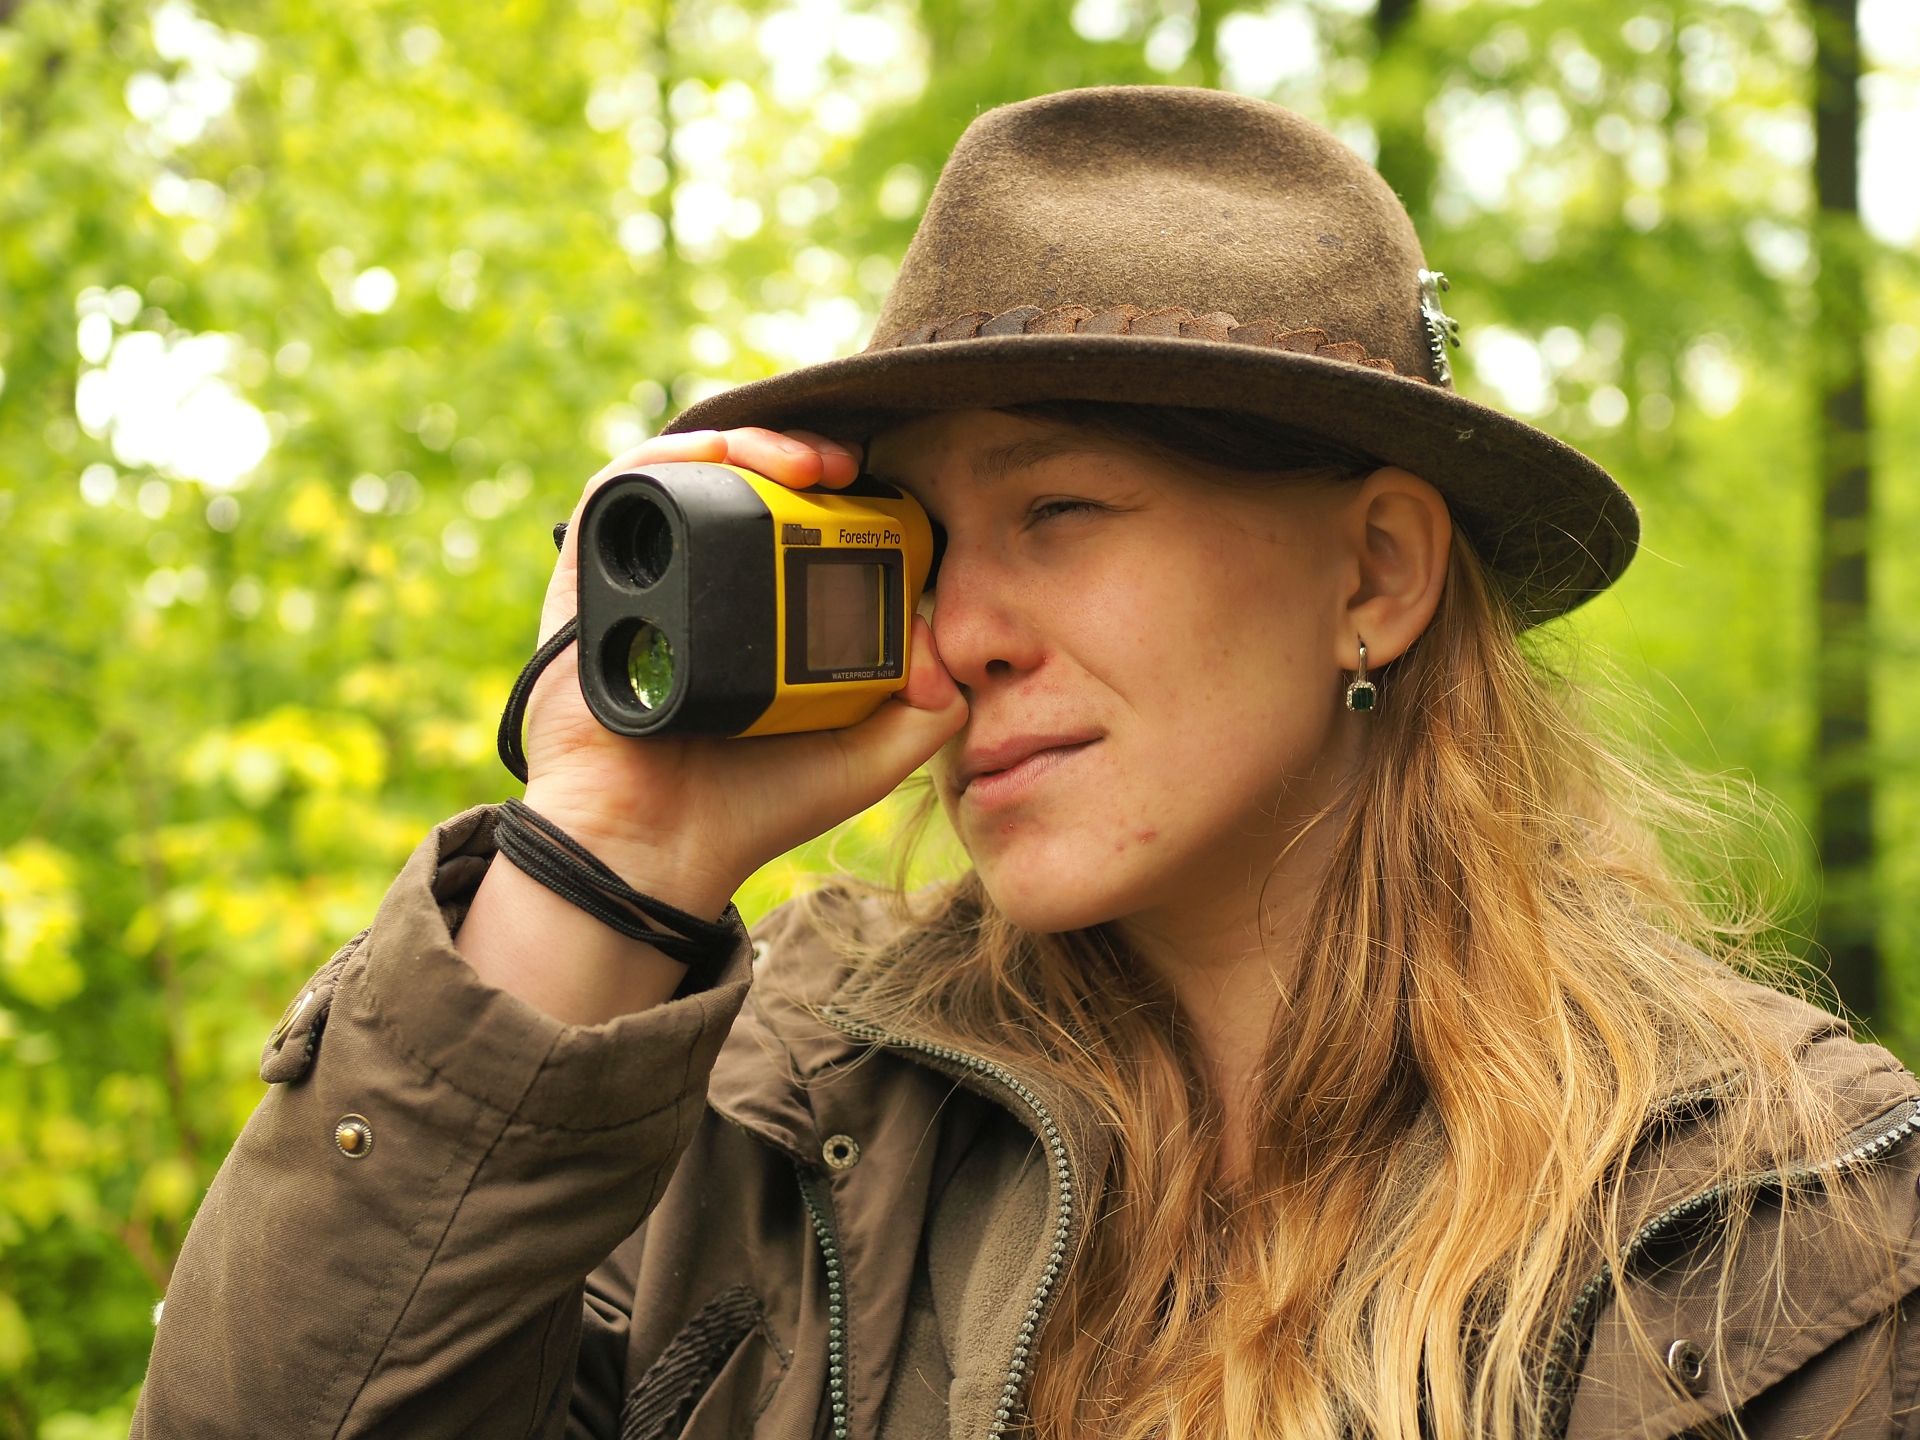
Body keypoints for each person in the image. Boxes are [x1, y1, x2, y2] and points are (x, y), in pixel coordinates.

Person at [134, 86, 1920, 1440]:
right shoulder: (766, 1112)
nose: (961, 632)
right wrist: (607, 847)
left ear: (1375, 572)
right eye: (918, 543)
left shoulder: (1778, 1219)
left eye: (1057, 510)